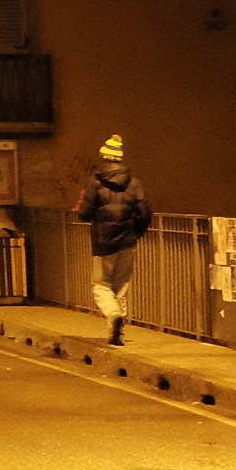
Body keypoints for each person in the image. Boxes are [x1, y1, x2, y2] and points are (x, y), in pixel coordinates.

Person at [73, 133, 151, 345]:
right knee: (120, 286)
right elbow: (145, 213)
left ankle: (114, 317)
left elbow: (85, 213)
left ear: (104, 158)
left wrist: (83, 211)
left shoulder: (95, 183)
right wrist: (136, 232)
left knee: (100, 284)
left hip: (103, 241)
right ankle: (117, 333)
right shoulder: (134, 183)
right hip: (127, 241)